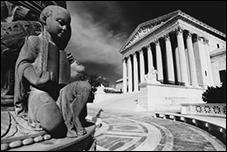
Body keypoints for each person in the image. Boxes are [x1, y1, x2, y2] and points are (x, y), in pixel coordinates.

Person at [14, 5, 91, 137]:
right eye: (61, 23)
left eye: (67, 25)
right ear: (45, 20)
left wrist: (66, 63)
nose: (65, 28)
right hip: (40, 91)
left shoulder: (62, 50)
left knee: (85, 87)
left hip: (61, 92)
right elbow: (23, 64)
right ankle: (59, 117)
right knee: (53, 122)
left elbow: (65, 80)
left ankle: (74, 119)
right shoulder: (34, 41)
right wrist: (36, 80)